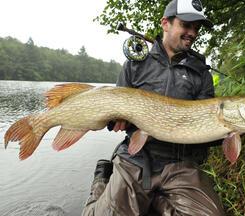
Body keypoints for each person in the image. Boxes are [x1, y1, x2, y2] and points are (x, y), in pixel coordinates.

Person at [82, 0, 225, 215]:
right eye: (186, 25)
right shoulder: (136, 64)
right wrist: (114, 121)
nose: (192, 33)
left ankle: (155, 200)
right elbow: (114, 112)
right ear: (165, 23)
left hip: (181, 162)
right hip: (136, 157)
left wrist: (243, 128)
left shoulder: (201, 73)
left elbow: (206, 129)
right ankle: (100, 183)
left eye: (196, 28)